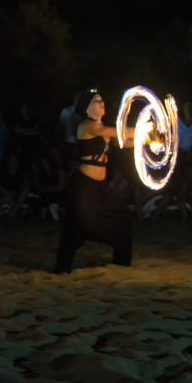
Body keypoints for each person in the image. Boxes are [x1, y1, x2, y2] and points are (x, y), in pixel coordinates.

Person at [54, 91, 135, 274]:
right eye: (96, 101)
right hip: (84, 186)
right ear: (87, 108)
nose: (102, 103)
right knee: (77, 224)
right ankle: (63, 267)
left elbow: (121, 142)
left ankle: (121, 262)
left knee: (123, 216)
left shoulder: (101, 128)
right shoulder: (86, 125)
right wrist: (144, 130)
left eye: (101, 100)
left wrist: (148, 140)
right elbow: (115, 132)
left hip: (101, 187)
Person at [0, 153, 30, 219]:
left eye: (15, 160)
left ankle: (11, 213)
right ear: (7, 161)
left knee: (27, 189)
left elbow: (27, 182)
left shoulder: (22, 171)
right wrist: (3, 190)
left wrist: (17, 191)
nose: (13, 162)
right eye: (11, 160)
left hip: (16, 195)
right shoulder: (0, 170)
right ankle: (0, 214)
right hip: (3, 195)